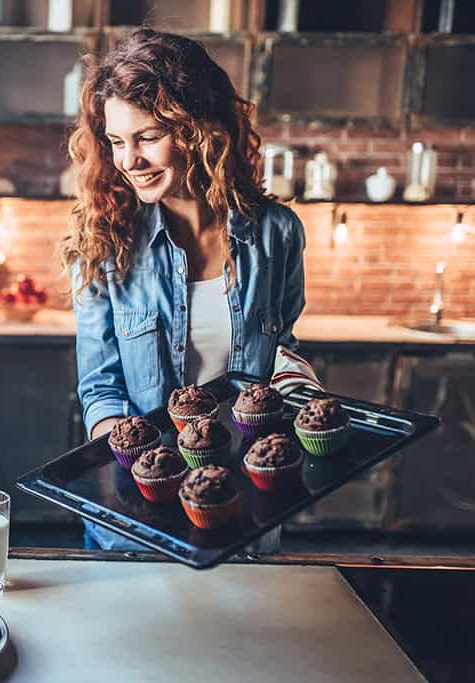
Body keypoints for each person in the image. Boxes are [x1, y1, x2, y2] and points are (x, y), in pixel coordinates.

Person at [60, 29, 322, 550]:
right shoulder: (104, 243)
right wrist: (132, 476)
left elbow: (282, 353)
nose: (128, 160)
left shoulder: (277, 233)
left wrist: (305, 397)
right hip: (136, 521)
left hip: (242, 504)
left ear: (199, 130)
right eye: (116, 141)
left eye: (148, 137)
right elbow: (101, 388)